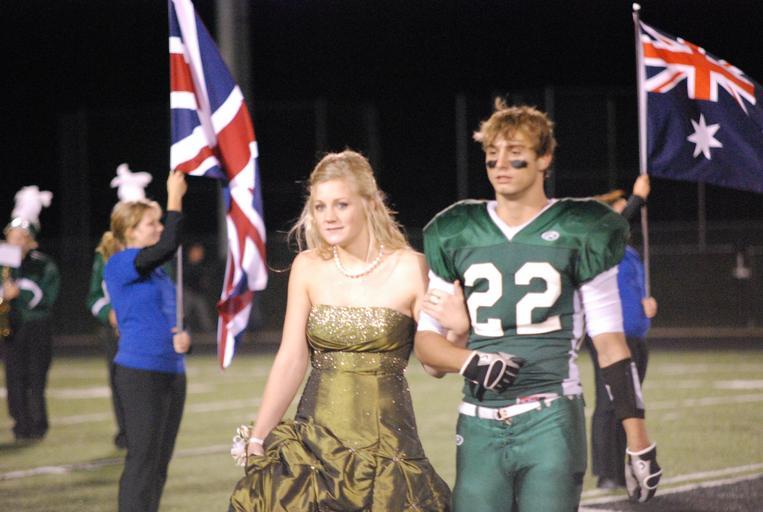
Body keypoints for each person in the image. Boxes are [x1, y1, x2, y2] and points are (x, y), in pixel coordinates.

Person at [414, 100, 661, 511]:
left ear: (544, 157)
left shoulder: (582, 229)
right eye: (493, 155)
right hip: (477, 419)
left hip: (551, 416)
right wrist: (471, 360)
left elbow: (611, 347)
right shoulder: (456, 230)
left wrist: (638, 440)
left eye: (515, 154)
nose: (501, 165)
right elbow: (426, 345)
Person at [229, 150, 451, 511]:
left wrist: (457, 329)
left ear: (370, 204)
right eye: (320, 206)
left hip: (387, 449)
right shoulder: (307, 266)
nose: (329, 217)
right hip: (314, 447)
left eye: (341, 205)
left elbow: (433, 364)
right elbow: (291, 358)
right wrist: (258, 437)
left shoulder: (412, 267)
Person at [102, 170, 191, 512]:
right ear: (130, 231)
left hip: (173, 371)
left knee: (159, 463)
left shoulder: (158, 273)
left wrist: (184, 338)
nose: (159, 228)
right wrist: (174, 197)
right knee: (142, 461)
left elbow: (172, 319)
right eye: (151, 224)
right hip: (140, 373)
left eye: (159, 222)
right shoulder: (120, 263)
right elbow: (168, 245)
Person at [589, 176, 658, 489]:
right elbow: (612, 225)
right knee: (609, 403)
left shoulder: (627, 252)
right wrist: (637, 198)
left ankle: (622, 467)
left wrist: (647, 303)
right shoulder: (601, 246)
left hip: (636, 336)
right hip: (609, 337)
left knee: (630, 404)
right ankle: (606, 473)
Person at [2, 214, 60, 441]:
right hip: (10, 325)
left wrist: (19, 292)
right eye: (12, 237)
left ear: (31, 241)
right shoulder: (3, 264)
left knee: (36, 377)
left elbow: (46, 296)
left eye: (21, 238)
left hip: (37, 326)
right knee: (14, 377)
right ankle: (20, 424)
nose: (15, 242)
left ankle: (37, 425)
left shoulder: (43, 264)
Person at [86, 241, 128, 449]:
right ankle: (126, 431)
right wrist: (108, 313)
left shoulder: (152, 248)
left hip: (143, 327)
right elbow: (94, 296)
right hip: (114, 329)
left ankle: (145, 432)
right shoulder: (106, 251)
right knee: (118, 379)